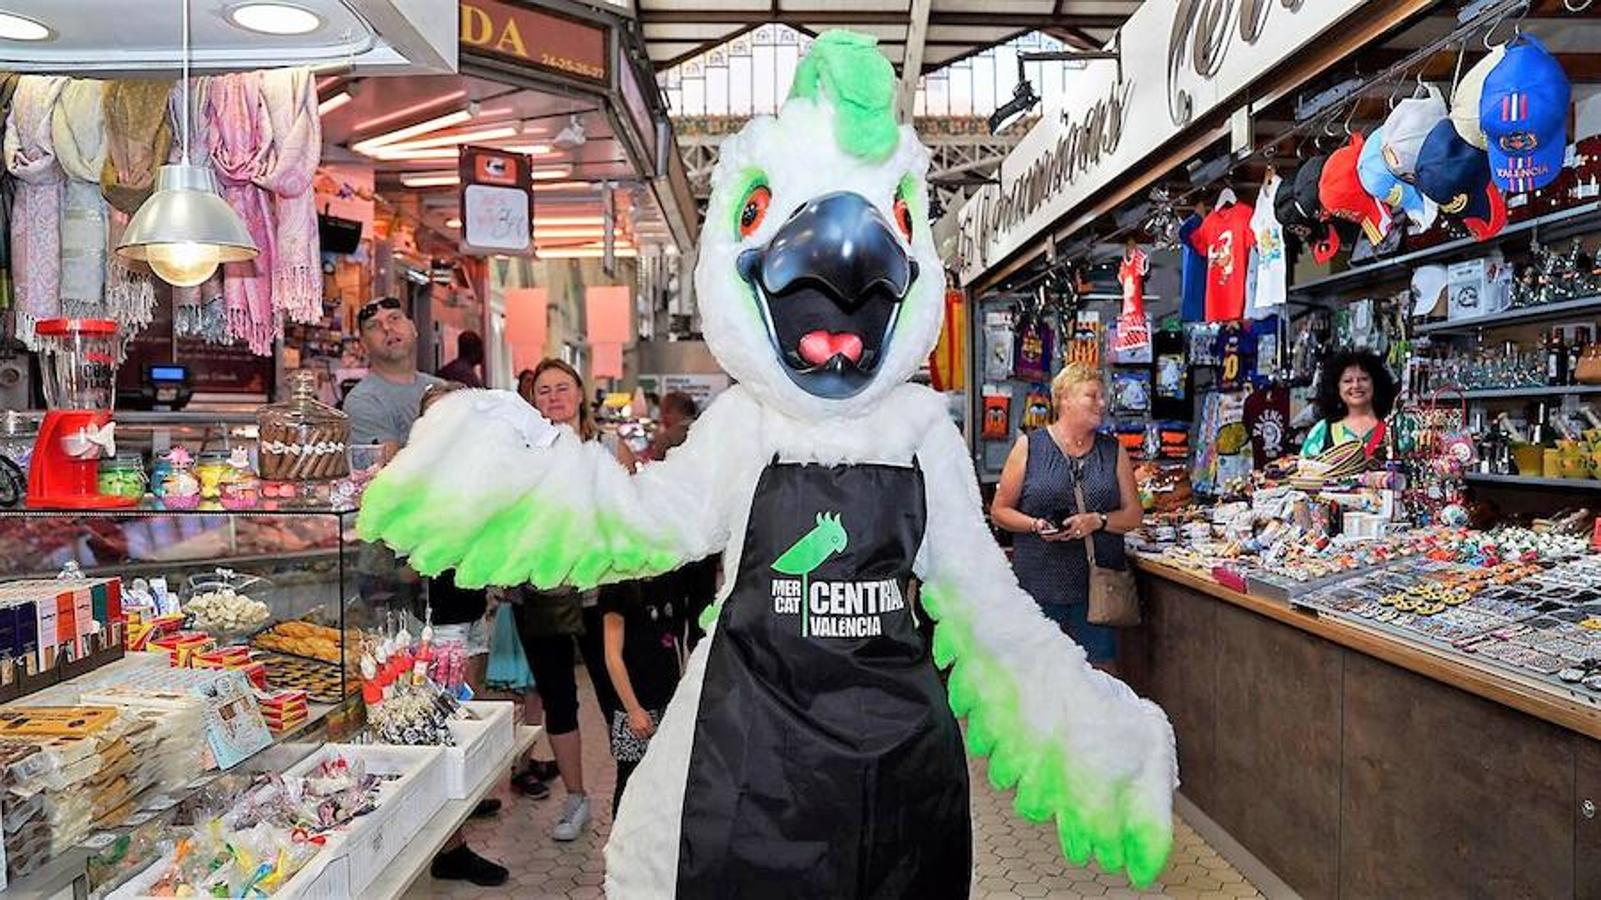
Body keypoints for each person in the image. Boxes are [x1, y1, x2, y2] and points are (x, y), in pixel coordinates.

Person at [344, 301, 508, 887]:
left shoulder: (440, 387)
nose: (389, 329)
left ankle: (453, 805)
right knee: (420, 700)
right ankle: (447, 838)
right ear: (363, 341)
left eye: (395, 321)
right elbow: (391, 474)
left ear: (414, 328)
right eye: (374, 326)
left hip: (455, 572)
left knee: (458, 691)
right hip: (400, 578)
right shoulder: (364, 401)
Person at [509, 358, 624, 841]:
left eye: (562, 387)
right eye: (543, 390)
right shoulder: (521, 455)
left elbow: (630, 514)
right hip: (540, 595)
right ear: (533, 402)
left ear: (580, 393)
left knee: (617, 695)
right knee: (559, 698)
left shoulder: (608, 449)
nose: (553, 396)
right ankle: (576, 797)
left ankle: (631, 793)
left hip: (603, 594)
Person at [990, 362, 1144, 672]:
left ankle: (1099, 723)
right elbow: (1000, 511)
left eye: (1103, 396)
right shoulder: (1030, 447)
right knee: (1038, 673)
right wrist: (1036, 525)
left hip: (1096, 588)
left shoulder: (1113, 451)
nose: (1102, 403)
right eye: (1092, 396)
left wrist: (1097, 521)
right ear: (1064, 398)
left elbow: (1133, 515)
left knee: (1101, 676)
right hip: (1039, 584)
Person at [599, 578, 681, 816]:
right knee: (629, 777)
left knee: (663, 776)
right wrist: (633, 709)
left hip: (666, 699)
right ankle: (621, 845)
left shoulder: (667, 580)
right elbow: (612, 656)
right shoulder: (617, 586)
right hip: (632, 705)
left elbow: (670, 640)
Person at [1300, 349, 1396, 458]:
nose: (1356, 385)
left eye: (1363, 379)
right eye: (1347, 381)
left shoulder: (1394, 428)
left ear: (1376, 383)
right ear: (1336, 387)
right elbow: (1304, 470)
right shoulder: (1323, 430)